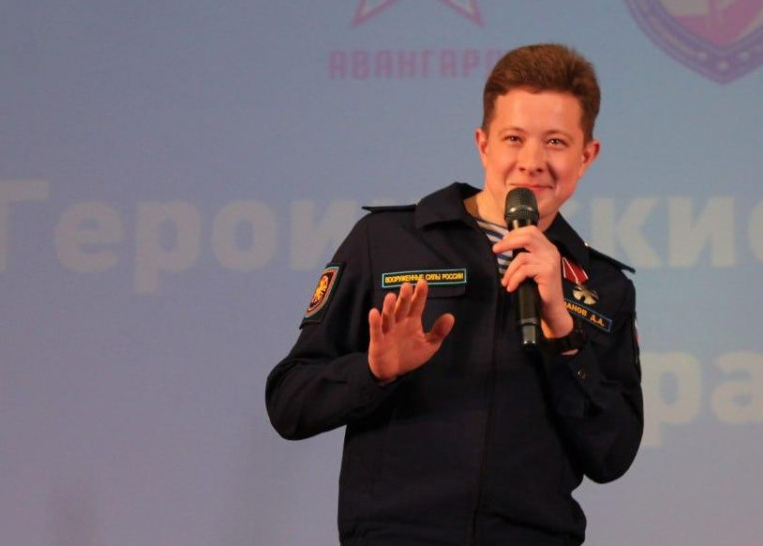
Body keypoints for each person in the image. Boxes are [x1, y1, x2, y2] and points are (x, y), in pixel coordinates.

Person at [266, 44, 643, 545]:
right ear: (483, 144)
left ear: (586, 156)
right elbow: (289, 404)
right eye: (514, 138)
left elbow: (612, 455)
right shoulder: (387, 241)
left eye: (555, 142)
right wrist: (375, 372)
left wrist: (564, 333)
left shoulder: (605, 286)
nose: (532, 162)